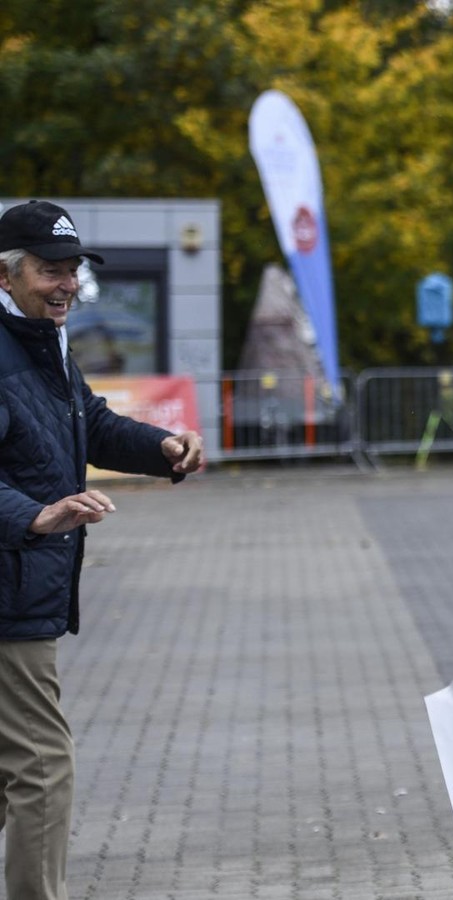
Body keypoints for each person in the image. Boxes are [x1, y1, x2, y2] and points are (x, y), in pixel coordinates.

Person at [0, 200, 205, 900]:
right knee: (42, 764)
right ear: (4, 274)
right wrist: (35, 517)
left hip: (28, 580)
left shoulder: (43, 343)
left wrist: (165, 449)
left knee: (10, 767)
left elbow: (91, 423)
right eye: (48, 271)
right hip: (10, 590)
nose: (65, 285)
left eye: (71, 271)